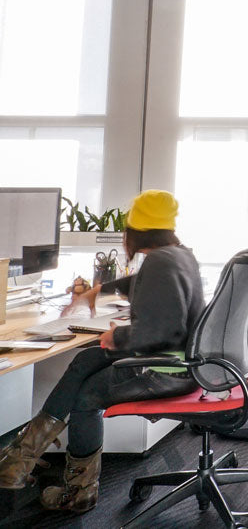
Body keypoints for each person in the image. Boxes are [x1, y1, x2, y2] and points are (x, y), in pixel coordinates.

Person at [0, 190, 206, 514]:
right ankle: (22, 456)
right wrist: (101, 290)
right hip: (181, 363)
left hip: (165, 372)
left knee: (86, 397)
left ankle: (76, 490)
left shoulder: (161, 261)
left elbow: (165, 330)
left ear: (136, 230)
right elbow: (142, 282)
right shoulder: (179, 255)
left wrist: (118, 336)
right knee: (86, 358)